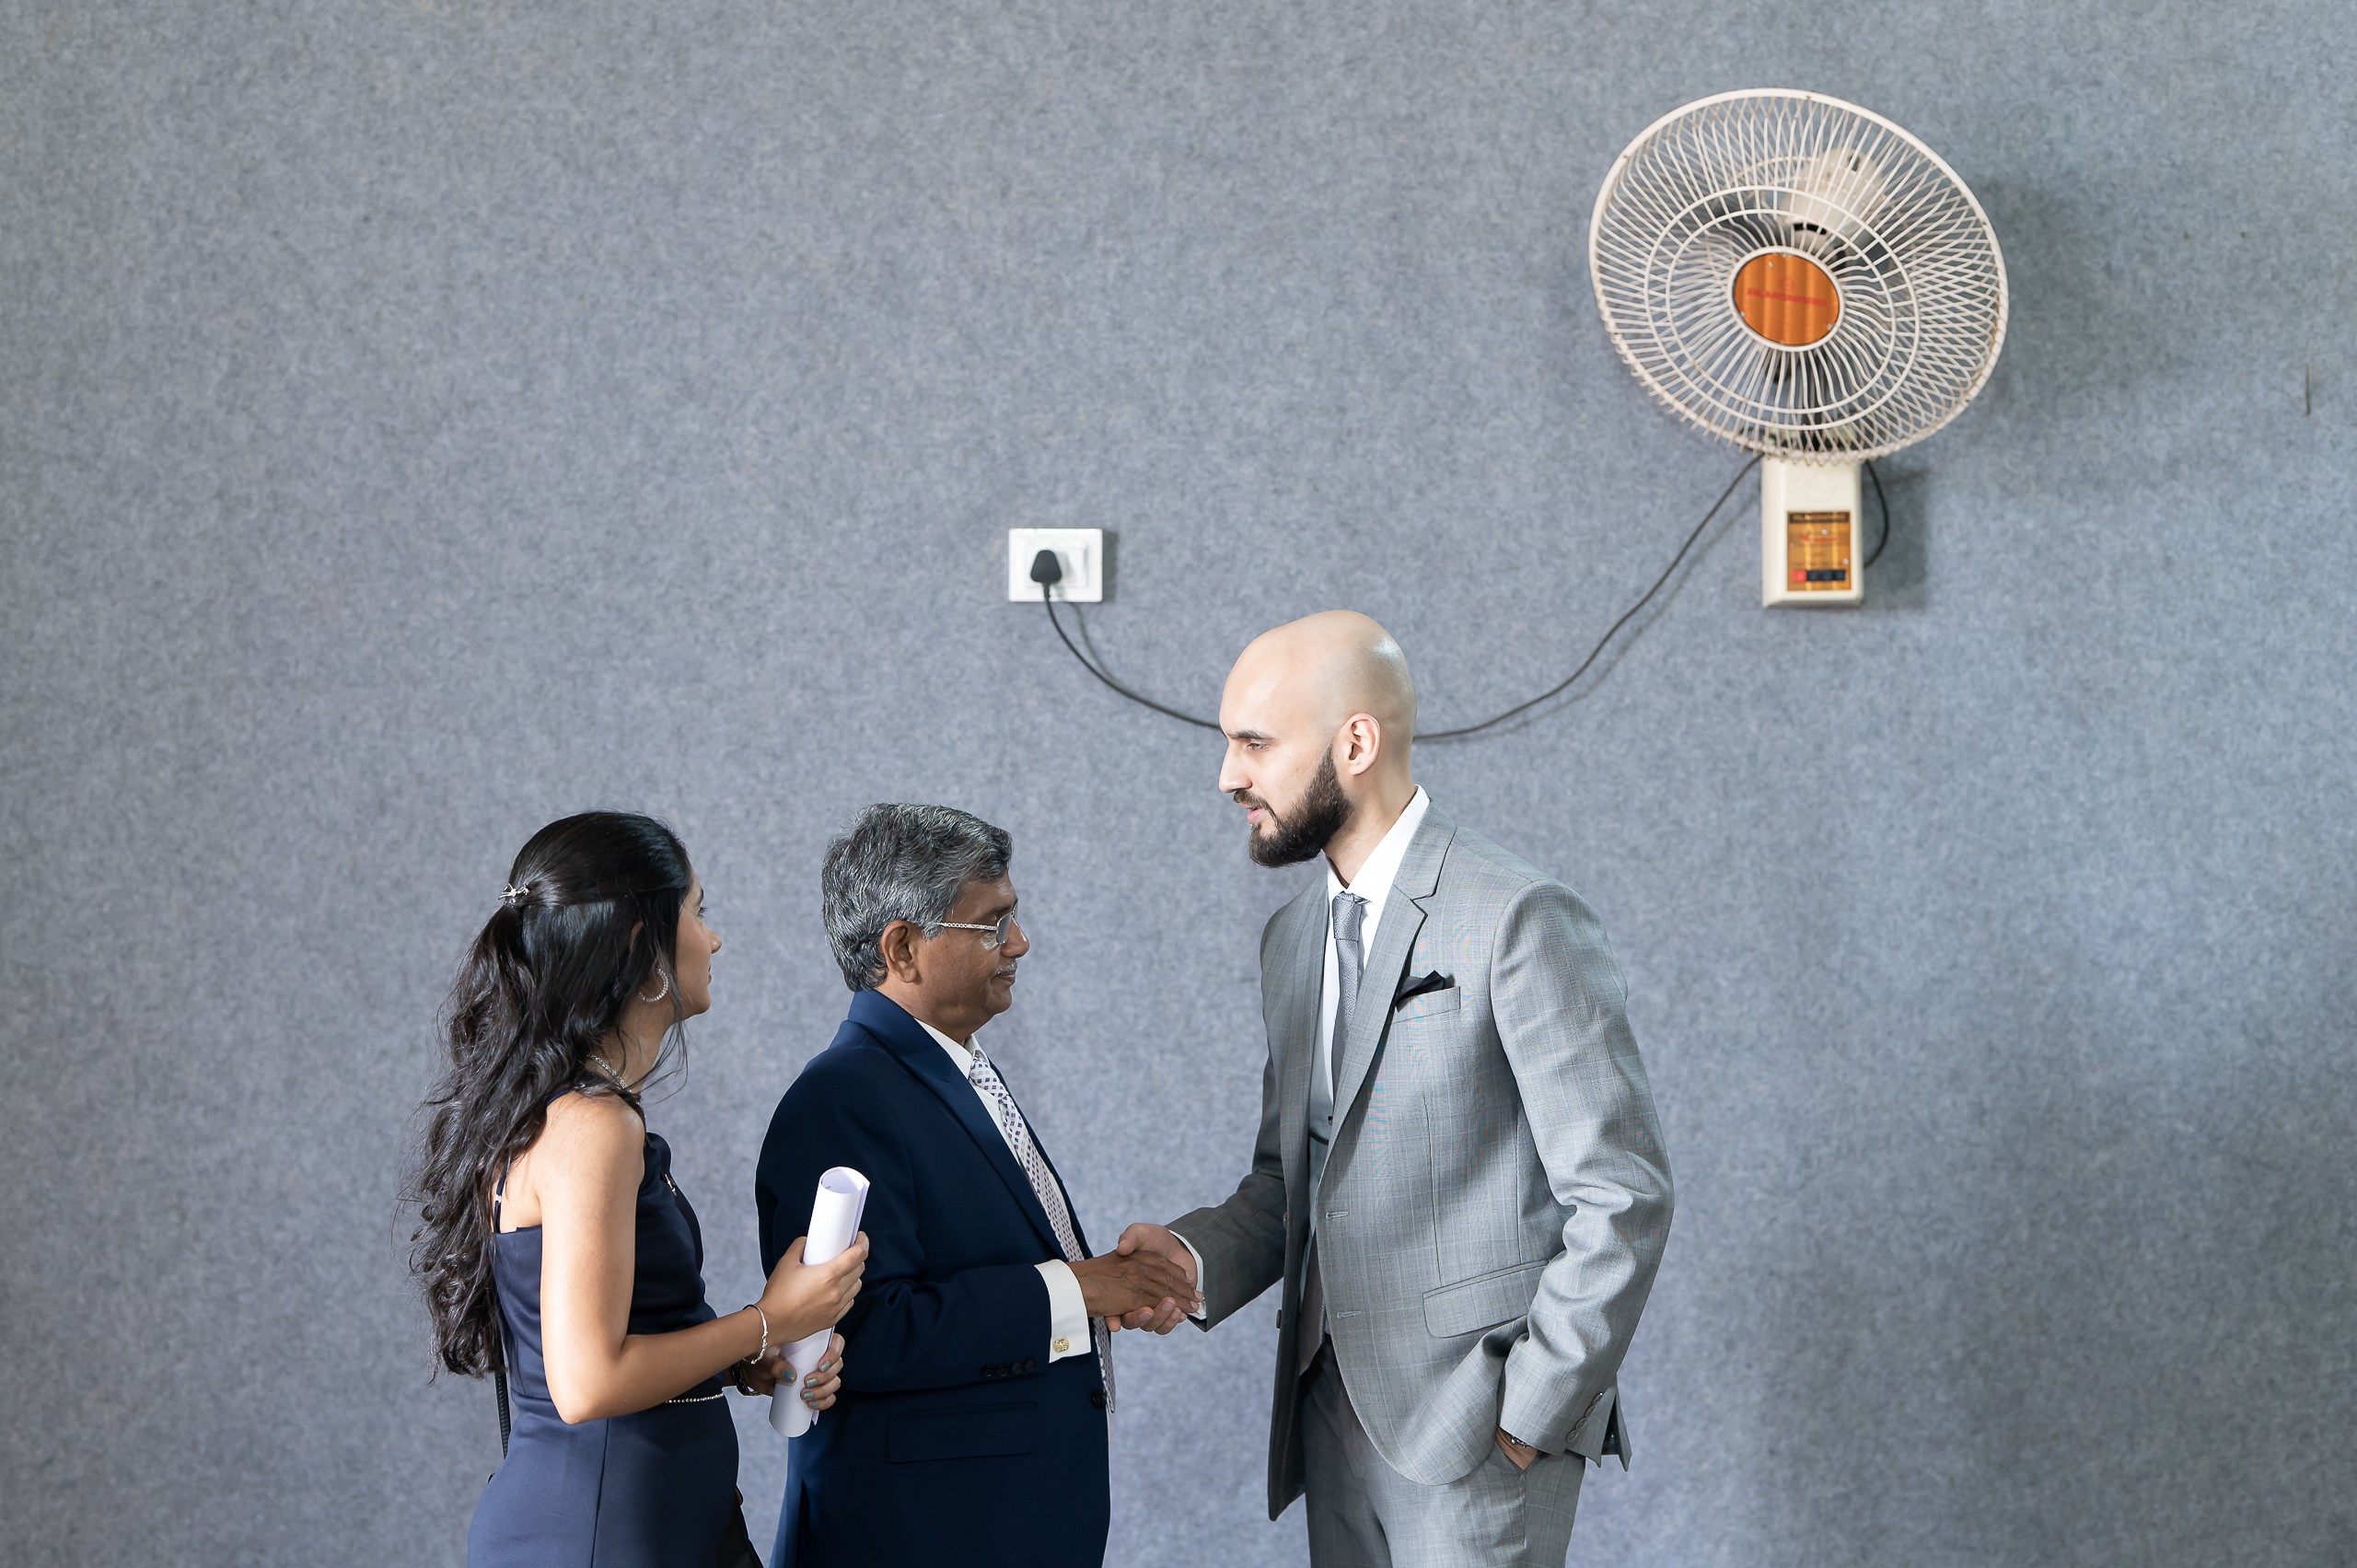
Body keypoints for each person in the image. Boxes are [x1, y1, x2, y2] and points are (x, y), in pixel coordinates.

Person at [1115, 613, 1675, 1568]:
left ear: (1356, 742)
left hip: (1478, 1433)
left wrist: (1531, 1409)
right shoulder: (1291, 938)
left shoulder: (1518, 915)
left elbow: (1623, 1192)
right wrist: (1192, 1258)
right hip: (1328, 1417)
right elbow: (1295, 1180)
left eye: (1254, 742)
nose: (1227, 775)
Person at [408, 811, 871, 1567]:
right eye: (697, 911)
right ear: (640, 944)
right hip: (603, 1536)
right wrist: (769, 1319)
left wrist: (741, 1362)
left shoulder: (571, 1113)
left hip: (648, 1522)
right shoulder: (593, 1126)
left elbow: (600, 1340)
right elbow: (587, 1382)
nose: (713, 939)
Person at [756, 804, 1200, 1568]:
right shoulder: (842, 1095)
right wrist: (1078, 1289)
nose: (1019, 942)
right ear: (903, 947)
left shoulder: (949, 1070)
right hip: (916, 1536)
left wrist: (1105, 1294)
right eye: (993, 923)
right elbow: (866, 1332)